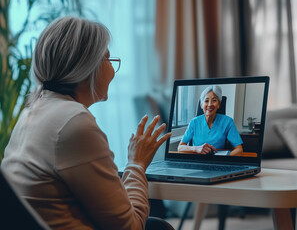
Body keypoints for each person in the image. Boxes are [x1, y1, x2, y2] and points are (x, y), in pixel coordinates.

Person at [0, 17, 172, 230]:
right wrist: (137, 163)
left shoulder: (32, 112)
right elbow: (130, 227)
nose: (112, 70)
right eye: (108, 59)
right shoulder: (74, 122)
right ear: (88, 66)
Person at [177, 86, 243, 156]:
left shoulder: (228, 122)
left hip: (217, 162)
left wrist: (223, 160)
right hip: (198, 160)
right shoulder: (194, 122)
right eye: (206, 101)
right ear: (201, 105)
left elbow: (239, 149)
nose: (210, 104)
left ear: (219, 104)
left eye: (214, 100)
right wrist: (196, 148)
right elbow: (180, 147)